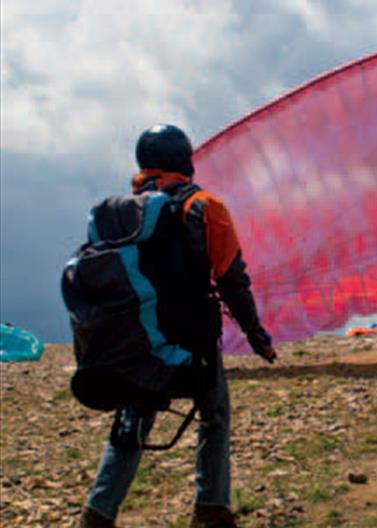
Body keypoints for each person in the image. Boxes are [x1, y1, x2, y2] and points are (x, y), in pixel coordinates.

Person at [79, 124, 277, 528]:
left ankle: (98, 512)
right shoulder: (206, 207)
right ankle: (211, 507)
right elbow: (232, 281)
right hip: (191, 346)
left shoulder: (115, 214)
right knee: (215, 412)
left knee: (132, 419)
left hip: (135, 343)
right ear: (186, 160)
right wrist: (258, 338)